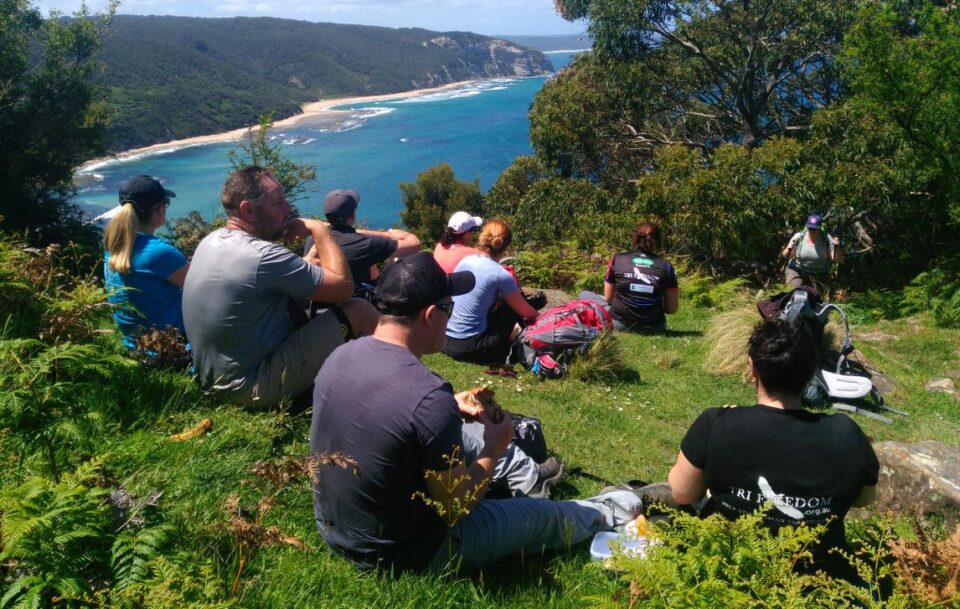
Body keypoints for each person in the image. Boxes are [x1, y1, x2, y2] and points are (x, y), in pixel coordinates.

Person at [310, 252, 644, 573]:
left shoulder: (341, 356)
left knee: (466, 432)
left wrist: (449, 406)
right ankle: (613, 508)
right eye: (449, 308)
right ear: (430, 315)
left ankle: (531, 479)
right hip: (409, 551)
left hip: (338, 529)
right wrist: (493, 448)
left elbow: (382, 412)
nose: (451, 316)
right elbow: (455, 508)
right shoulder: (426, 396)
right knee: (546, 517)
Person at [667, 318, 878, 582]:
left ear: (752, 368)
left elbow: (682, 493)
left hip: (729, 569)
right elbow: (863, 499)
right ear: (811, 372)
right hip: (818, 579)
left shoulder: (716, 423)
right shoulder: (846, 433)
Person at [182, 166, 378, 409]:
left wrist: (305, 265)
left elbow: (260, 284)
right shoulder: (262, 255)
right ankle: (394, 386)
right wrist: (320, 230)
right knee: (359, 310)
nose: (288, 210)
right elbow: (343, 287)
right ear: (249, 210)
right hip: (249, 388)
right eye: (278, 203)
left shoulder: (209, 241)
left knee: (305, 291)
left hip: (211, 379)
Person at [103, 175, 189, 349]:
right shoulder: (158, 252)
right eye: (165, 202)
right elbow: (201, 288)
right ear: (159, 210)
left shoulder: (113, 247)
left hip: (135, 347)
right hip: (173, 346)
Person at [443, 219, 539, 364]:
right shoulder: (500, 274)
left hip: (444, 340)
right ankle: (528, 341)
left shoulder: (465, 261)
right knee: (511, 308)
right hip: (470, 348)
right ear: (506, 245)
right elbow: (527, 313)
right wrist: (543, 319)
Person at [308, 189, 420, 294]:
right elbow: (414, 245)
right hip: (359, 302)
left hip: (324, 301)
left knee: (372, 260)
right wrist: (403, 234)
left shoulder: (312, 240)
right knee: (397, 258)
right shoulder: (364, 244)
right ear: (352, 215)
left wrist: (384, 235)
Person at [602, 222, 678, 332]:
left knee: (585, 294)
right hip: (655, 326)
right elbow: (671, 309)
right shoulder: (666, 266)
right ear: (658, 241)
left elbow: (608, 298)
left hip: (619, 323)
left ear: (635, 239)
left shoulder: (617, 259)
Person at [780, 213, 842, 289]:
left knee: (820, 298)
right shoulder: (799, 237)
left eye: (815, 228)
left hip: (820, 273)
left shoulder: (826, 239)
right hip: (798, 270)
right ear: (807, 227)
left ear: (819, 228)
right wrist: (789, 247)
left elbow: (836, 259)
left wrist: (837, 247)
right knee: (793, 292)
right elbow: (785, 256)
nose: (812, 230)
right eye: (810, 228)